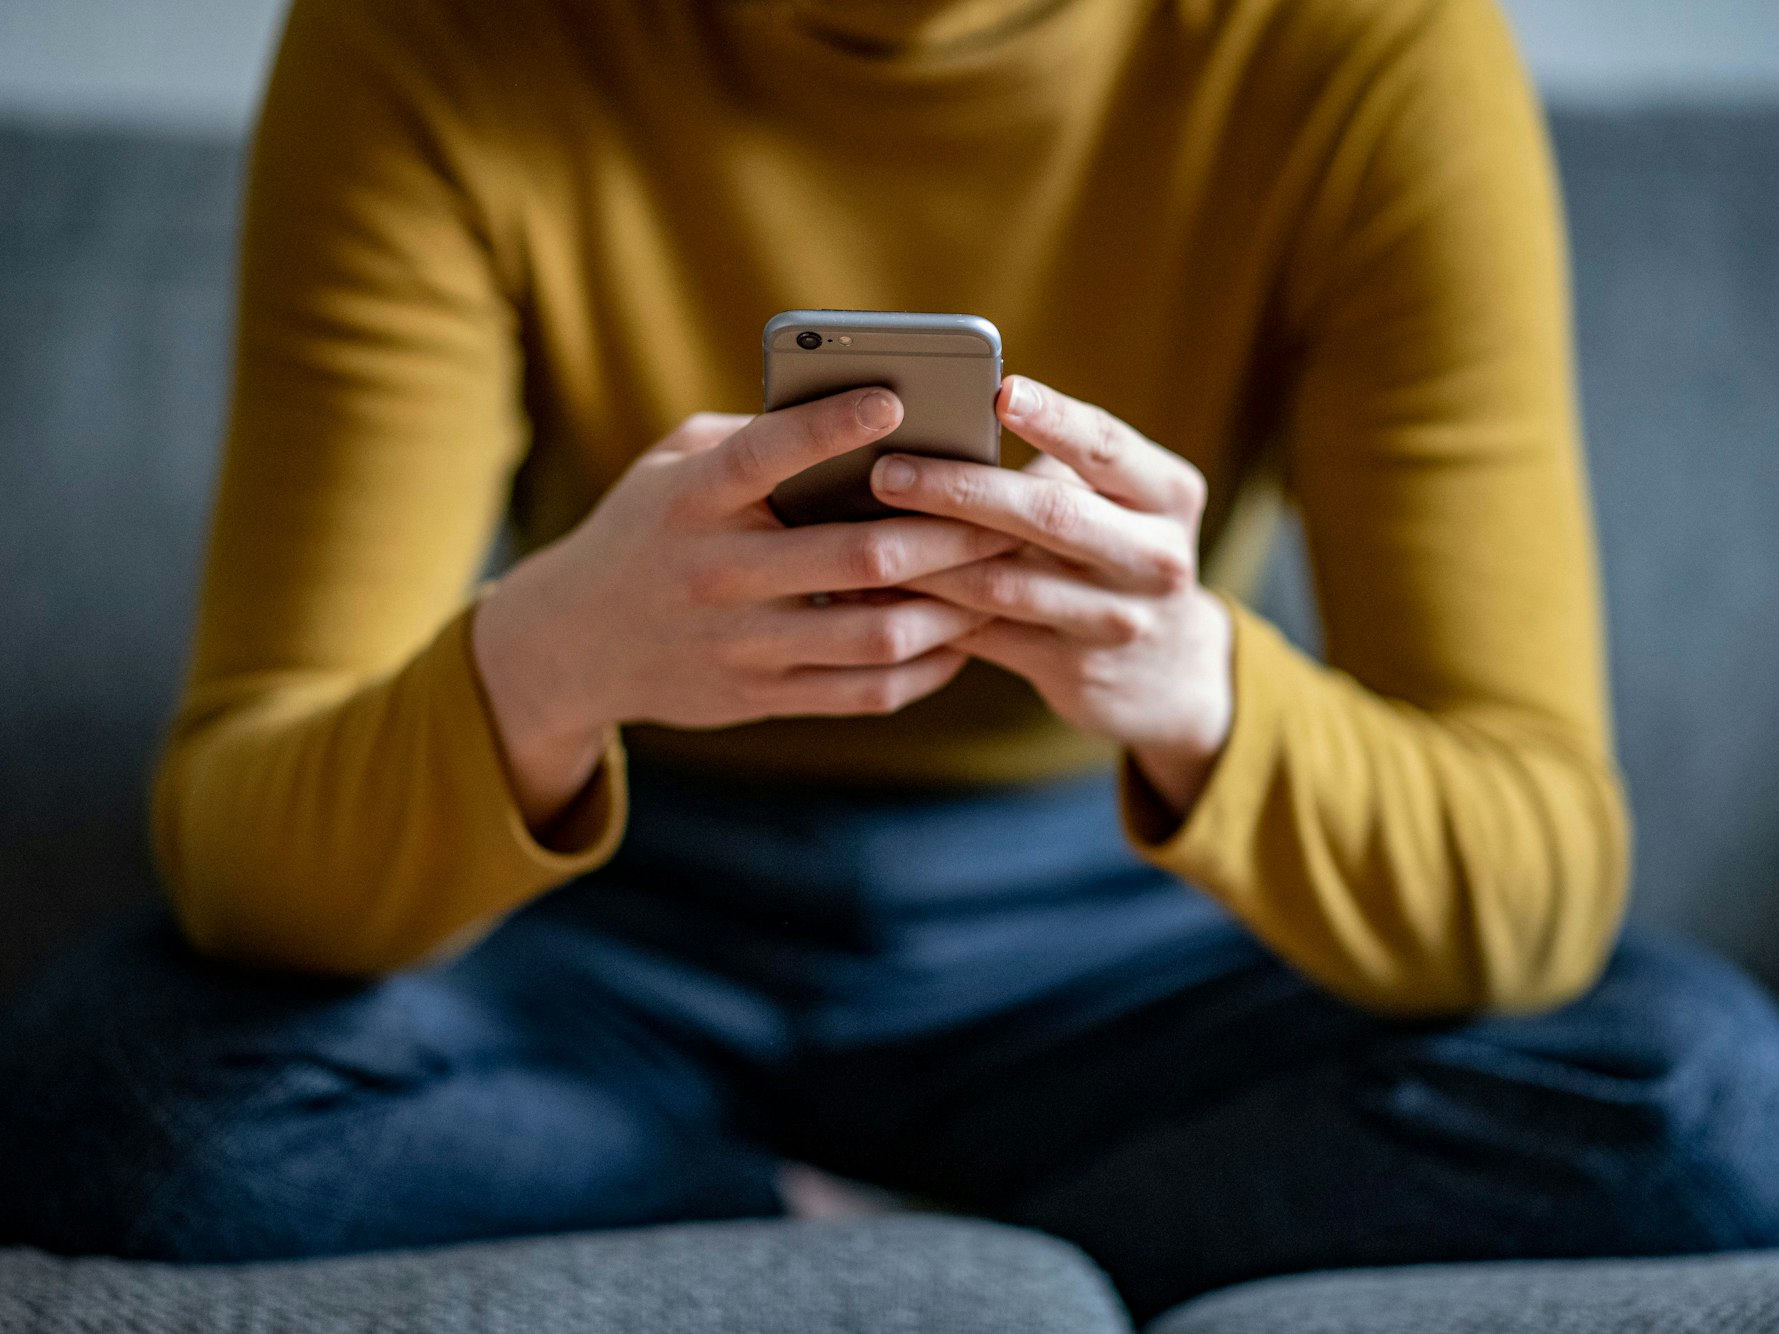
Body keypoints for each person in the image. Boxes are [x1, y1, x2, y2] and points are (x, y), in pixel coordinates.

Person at [4, 0, 1779, 1321]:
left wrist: (1204, 693)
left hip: (1123, 918)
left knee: (1705, 1098)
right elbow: (238, 840)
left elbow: (1539, 870)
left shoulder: (1366, 54)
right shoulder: (430, 40)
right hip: (611, 913)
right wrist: (547, 661)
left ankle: (858, 1230)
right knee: (120, 1101)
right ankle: (888, 1224)